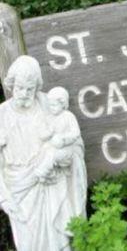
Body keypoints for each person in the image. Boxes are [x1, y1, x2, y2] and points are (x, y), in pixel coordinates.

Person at [0, 55, 87, 251]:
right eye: (19, 88)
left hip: (54, 186)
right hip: (20, 190)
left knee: (62, 239)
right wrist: (3, 198)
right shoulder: (2, 115)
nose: (24, 93)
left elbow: (75, 143)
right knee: (29, 244)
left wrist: (58, 161)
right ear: (11, 85)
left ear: (37, 87)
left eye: (30, 89)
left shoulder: (50, 104)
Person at [35, 87, 83, 183]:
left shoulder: (68, 116)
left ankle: (43, 172)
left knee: (53, 155)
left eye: (54, 105)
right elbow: (42, 134)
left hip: (67, 147)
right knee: (44, 150)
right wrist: (48, 133)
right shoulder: (49, 118)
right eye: (49, 105)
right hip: (53, 146)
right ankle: (47, 175)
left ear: (63, 104)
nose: (51, 108)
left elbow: (76, 132)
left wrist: (63, 138)